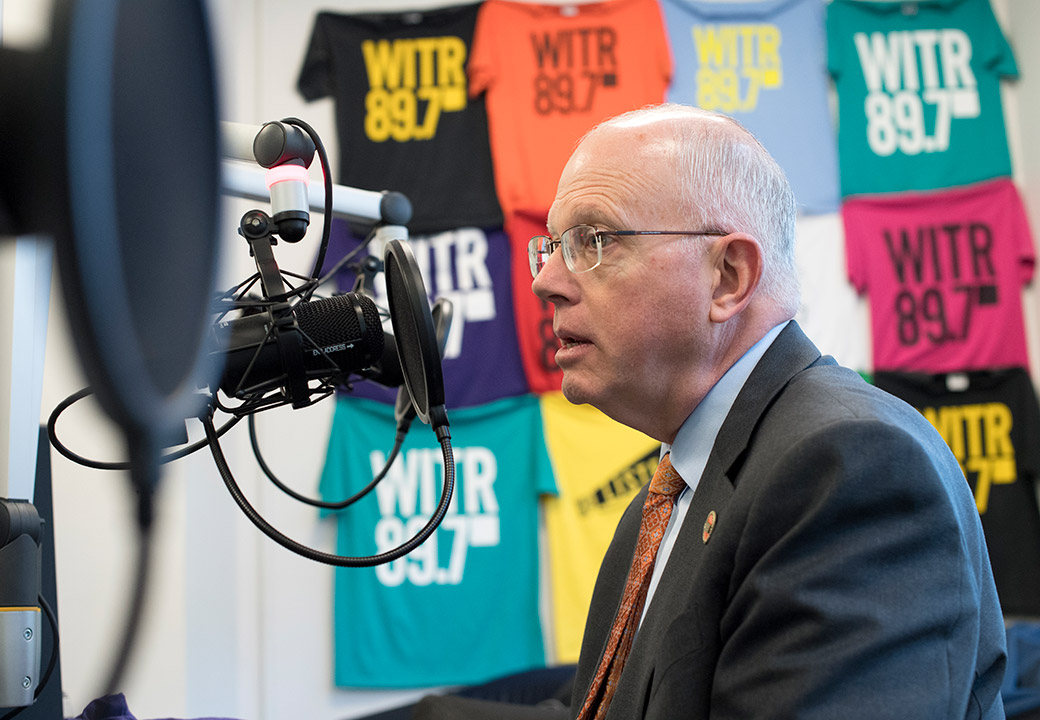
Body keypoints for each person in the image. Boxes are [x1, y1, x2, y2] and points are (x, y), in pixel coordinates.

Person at [413, 104, 1007, 719]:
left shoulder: (847, 466)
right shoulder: (666, 499)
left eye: (594, 240)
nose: (546, 282)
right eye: (554, 246)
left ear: (728, 276)